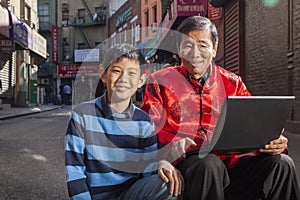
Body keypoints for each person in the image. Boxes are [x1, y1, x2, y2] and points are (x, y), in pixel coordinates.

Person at [140, 16, 300, 200]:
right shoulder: (160, 82)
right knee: (209, 163)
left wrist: (275, 141)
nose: (195, 53)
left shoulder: (232, 82)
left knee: (282, 163)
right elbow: (148, 130)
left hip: (236, 165)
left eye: (202, 45)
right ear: (178, 50)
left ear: (214, 49)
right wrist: (169, 151)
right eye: (187, 45)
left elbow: (254, 122)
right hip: (193, 166)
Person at [65, 44, 183, 200]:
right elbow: (74, 171)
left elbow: (148, 168)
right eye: (116, 71)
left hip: (131, 195)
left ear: (141, 80)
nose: (123, 79)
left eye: (131, 73)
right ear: (103, 74)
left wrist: (161, 165)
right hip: (96, 197)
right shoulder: (82, 116)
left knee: (168, 182)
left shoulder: (144, 122)